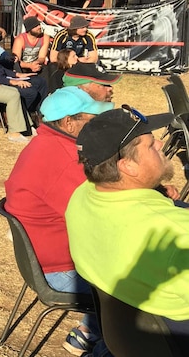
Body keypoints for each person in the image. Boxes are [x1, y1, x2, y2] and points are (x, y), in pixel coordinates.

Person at [65, 107, 189, 351]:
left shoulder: (83, 195)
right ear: (128, 166)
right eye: (151, 145)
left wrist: (157, 194)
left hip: (128, 335)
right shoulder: (175, 234)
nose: (162, 145)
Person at [4, 87, 114, 357]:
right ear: (69, 123)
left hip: (46, 259)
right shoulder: (63, 158)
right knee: (141, 285)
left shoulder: (50, 143)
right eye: (92, 118)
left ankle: (88, 333)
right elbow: (103, 213)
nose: (97, 124)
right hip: (59, 270)